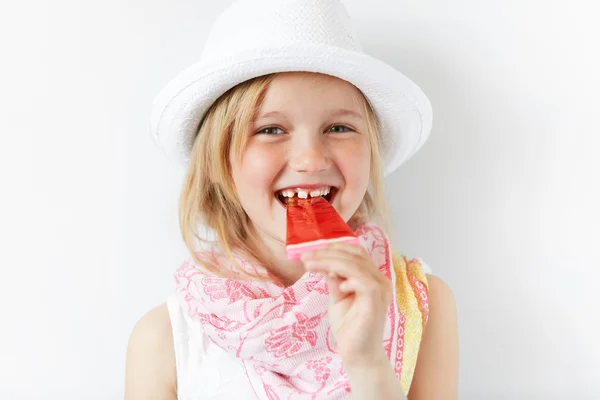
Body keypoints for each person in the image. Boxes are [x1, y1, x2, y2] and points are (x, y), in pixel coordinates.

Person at [125, 0, 459, 398]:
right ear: (218, 162)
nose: (311, 159)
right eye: (270, 129)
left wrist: (368, 363)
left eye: (338, 127)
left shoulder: (420, 303)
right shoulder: (165, 340)